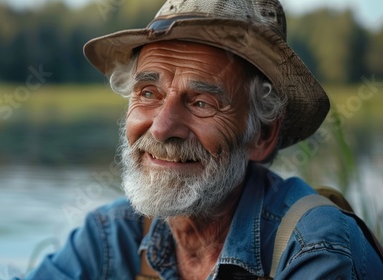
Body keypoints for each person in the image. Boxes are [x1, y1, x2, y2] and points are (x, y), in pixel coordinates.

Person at [22, 0, 383, 279]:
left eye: (201, 102)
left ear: (262, 134)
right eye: (148, 93)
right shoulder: (110, 236)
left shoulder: (315, 247)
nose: (162, 127)